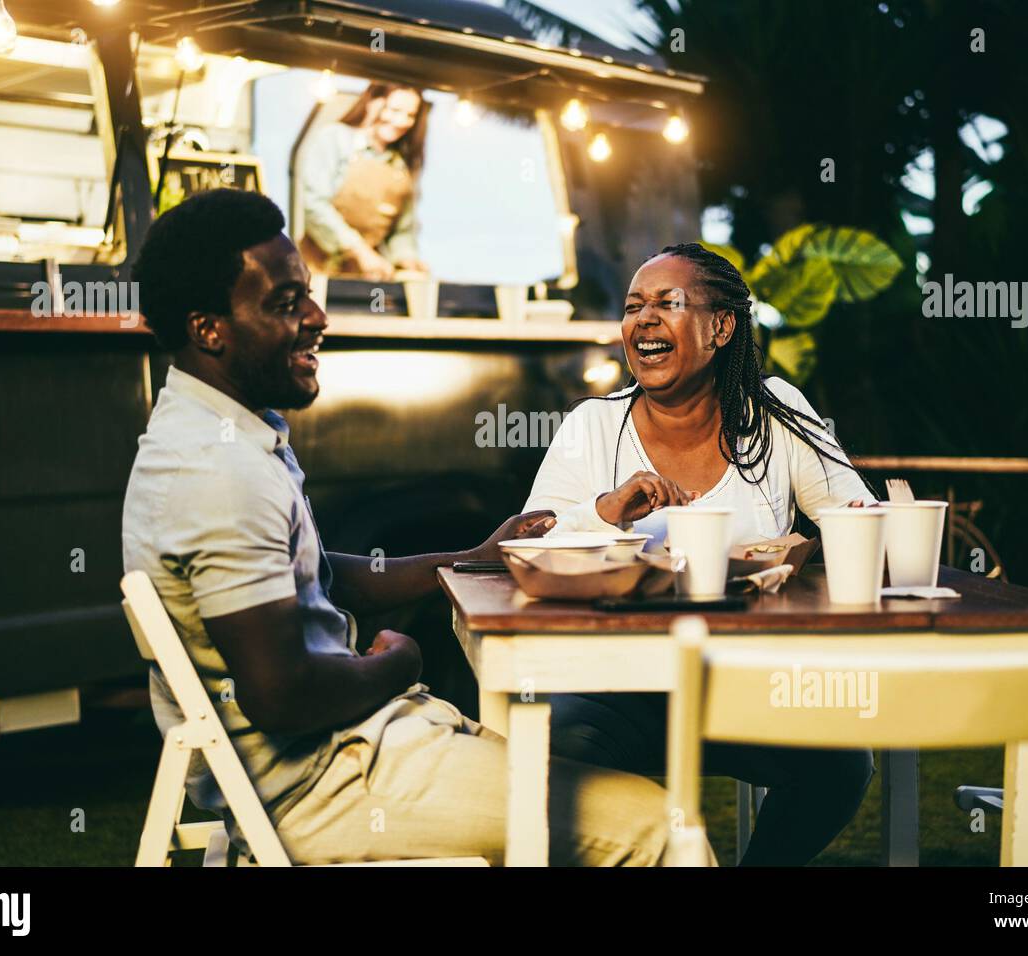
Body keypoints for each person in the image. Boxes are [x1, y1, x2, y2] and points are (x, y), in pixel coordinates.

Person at [122, 189, 698, 866]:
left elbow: (324, 575)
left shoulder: (212, 435)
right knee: (660, 826)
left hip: (358, 749)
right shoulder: (218, 473)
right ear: (208, 329)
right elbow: (282, 695)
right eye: (284, 304)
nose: (316, 318)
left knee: (574, 768)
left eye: (306, 294)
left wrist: (474, 558)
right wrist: (402, 664)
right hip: (329, 787)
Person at [524, 241, 877, 866]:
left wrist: (835, 536)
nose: (643, 321)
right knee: (551, 748)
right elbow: (534, 549)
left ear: (721, 326)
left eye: (668, 303)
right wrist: (606, 512)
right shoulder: (592, 426)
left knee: (841, 759)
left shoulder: (776, 413)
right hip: (614, 689)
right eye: (634, 307)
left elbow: (857, 522)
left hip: (750, 684)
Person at [298, 82, 427, 280]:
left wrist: (407, 259)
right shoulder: (335, 138)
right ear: (373, 102)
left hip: (367, 278)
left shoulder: (400, 166)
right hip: (316, 270)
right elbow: (314, 204)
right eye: (394, 110)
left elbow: (401, 230)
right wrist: (359, 251)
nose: (401, 121)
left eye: (410, 115)